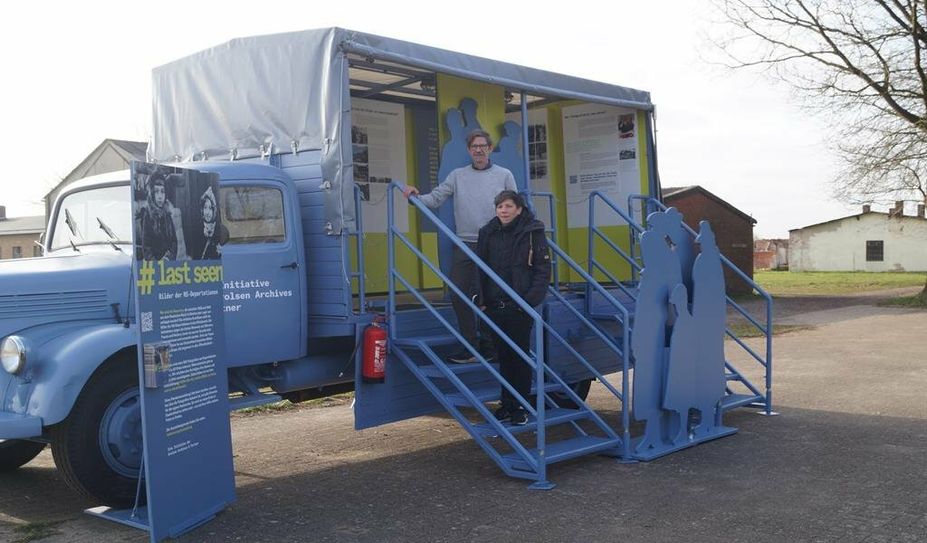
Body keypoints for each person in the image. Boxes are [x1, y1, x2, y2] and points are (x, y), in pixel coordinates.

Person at [403, 129, 517, 363]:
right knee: (458, 293)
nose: (479, 150)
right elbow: (435, 198)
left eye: (483, 146)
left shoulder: (504, 175)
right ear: (469, 150)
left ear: (490, 148)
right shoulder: (457, 175)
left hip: (495, 243)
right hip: (465, 244)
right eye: (474, 146)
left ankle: (490, 347)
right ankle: (470, 346)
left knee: (491, 297)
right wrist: (415, 197)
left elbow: (513, 208)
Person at [475, 191, 551, 426]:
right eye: (499, 206)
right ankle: (507, 404)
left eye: (508, 206)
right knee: (504, 357)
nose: (503, 210)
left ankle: (521, 405)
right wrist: (481, 300)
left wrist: (528, 302)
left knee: (519, 357)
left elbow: (542, 270)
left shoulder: (532, 232)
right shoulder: (487, 233)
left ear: (519, 209)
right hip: (494, 306)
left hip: (520, 307)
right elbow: (479, 267)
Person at [139, 172, 178, 261]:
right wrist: (156, 264)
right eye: (157, 192)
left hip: (168, 263)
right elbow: (146, 247)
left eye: (162, 192)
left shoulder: (167, 214)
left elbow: (174, 242)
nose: (160, 196)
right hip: (154, 265)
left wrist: (168, 258)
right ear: (152, 193)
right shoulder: (147, 215)